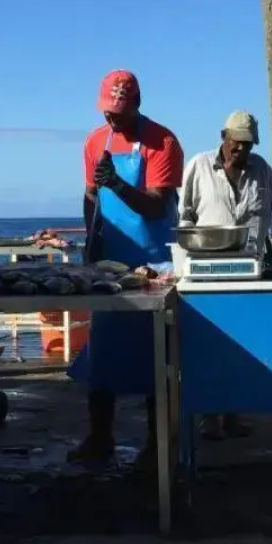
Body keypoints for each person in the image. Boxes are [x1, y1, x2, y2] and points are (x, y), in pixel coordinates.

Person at [68, 70, 183, 465]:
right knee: (103, 354)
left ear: (136, 104)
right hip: (109, 262)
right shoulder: (94, 141)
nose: (112, 119)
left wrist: (116, 184)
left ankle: (158, 446)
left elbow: (155, 204)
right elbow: (89, 195)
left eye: (120, 111)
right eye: (107, 111)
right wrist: (91, 236)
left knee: (158, 357)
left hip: (154, 261)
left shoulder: (162, 142)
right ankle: (100, 437)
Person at [179, 109, 272, 440]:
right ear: (223, 137)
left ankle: (234, 412)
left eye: (248, 145)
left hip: (251, 268)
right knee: (212, 344)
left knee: (244, 344)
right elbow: (185, 216)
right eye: (236, 143)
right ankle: (210, 414)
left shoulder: (260, 169)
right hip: (208, 272)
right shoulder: (198, 166)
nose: (241, 150)